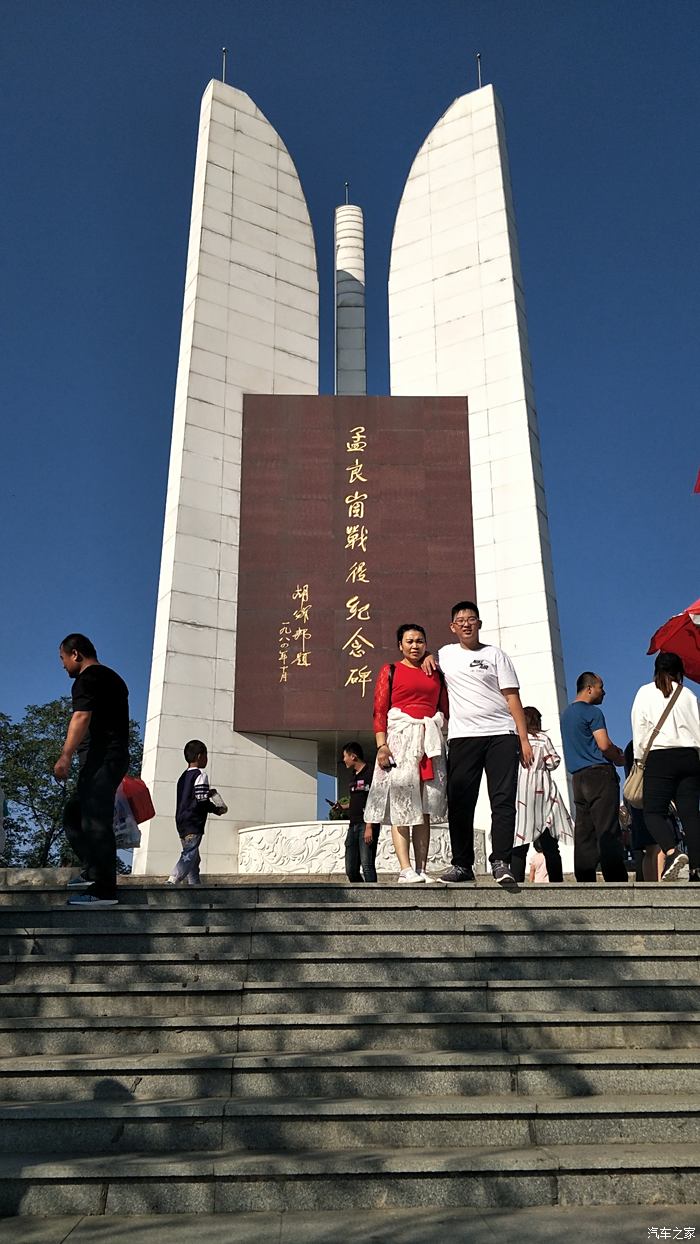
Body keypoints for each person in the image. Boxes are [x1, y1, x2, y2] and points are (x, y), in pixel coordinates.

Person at [423, 601, 533, 887]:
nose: (466, 624)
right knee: (460, 801)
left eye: (472, 619)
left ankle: (501, 862)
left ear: (479, 624)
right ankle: (462, 865)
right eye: (460, 620)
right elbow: (429, 663)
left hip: (501, 735)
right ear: (452, 627)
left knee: (503, 799)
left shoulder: (496, 655)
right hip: (463, 737)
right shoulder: (445, 654)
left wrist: (524, 739)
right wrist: (426, 657)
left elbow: (512, 698)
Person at [364, 624, 448, 884]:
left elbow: (444, 707)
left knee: (423, 809)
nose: (415, 646)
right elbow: (379, 710)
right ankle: (405, 868)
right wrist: (381, 745)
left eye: (420, 641)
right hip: (400, 740)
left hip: (429, 742)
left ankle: (422, 868)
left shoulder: (436, 672)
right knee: (401, 806)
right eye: (409, 641)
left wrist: (434, 656)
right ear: (400, 644)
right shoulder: (390, 670)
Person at [55, 633, 130, 908]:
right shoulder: (115, 679)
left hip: (102, 758)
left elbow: (81, 716)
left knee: (95, 820)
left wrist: (65, 756)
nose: (63, 665)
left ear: (75, 654)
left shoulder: (87, 680)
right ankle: (93, 870)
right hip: (113, 757)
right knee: (75, 814)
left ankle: (104, 890)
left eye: (62, 658)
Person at [631, 652, 700, 882]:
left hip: (660, 757)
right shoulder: (687, 694)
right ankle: (697, 868)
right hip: (689, 756)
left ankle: (672, 852)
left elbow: (639, 728)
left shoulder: (645, 692)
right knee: (690, 815)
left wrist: (640, 759)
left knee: (652, 812)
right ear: (679, 671)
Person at [560, 672, 628, 883]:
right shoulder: (593, 712)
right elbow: (603, 744)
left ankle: (585, 877)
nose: (603, 691)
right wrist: (618, 757)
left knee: (584, 830)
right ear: (589, 688)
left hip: (578, 778)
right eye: (601, 686)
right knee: (607, 827)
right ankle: (615, 877)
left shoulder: (567, 714)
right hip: (599, 774)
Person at [510, 706, 572, 884]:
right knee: (550, 844)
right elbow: (553, 762)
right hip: (543, 793)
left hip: (521, 794)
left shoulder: (515, 740)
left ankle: (516, 882)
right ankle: (557, 882)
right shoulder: (543, 739)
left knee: (519, 842)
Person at [169, 740, 224, 886]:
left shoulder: (182, 777)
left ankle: (194, 884)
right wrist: (216, 809)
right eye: (206, 756)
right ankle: (174, 878)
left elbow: (191, 796)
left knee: (194, 856)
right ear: (200, 756)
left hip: (181, 820)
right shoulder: (200, 774)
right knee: (190, 852)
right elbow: (201, 799)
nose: (207, 759)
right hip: (194, 820)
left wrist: (207, 793)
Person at [338, 742, 380, 883]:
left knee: (367, 865)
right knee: (351, 869)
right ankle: (360, 896)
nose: (344, 760)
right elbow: (357, 798)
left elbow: (374, 800)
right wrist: (343, 807)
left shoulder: (371, 773)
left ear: (353, 756)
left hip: (366, 824)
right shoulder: (353, 775)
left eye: (345, 756)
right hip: (353, 825)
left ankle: (373, 899)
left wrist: (369, 826)